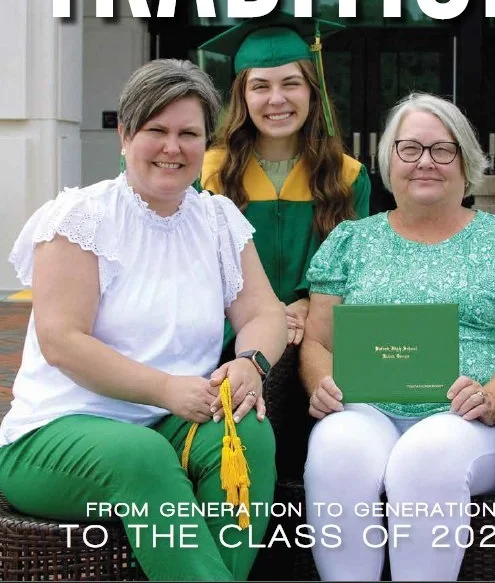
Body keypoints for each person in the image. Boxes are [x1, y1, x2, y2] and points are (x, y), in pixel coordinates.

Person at [0, 59, 288, 582]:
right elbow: (62, 341)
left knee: (248, 435)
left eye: (189, 133)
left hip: (171, 422)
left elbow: (264, 312)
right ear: (125, 134)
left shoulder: (218, 221)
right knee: (143, 456)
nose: (173, 148)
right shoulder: (80, 218)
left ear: (207, 143)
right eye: (156, 130)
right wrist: (164, 389)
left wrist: (250, 362)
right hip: (53, 438)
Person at [299, 92, 495, 582]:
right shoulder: (351, 242)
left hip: (469, 421)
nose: (426, 163)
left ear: (467, 162)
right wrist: (320, 383)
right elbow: (318, 342)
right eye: (409, 149)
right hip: (367, 407)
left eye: (443, 150)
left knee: (427, 455)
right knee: (335, 446)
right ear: (388, 161)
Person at [197, 11, 371, 349]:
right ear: (242, 97)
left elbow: (355, 272)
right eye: (260, 86)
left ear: (311, 90)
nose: (277, 99)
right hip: (227, 343)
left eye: (291, 83)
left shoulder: (348, 176)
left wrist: (308, 305)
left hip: (319, 341)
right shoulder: (208, 175)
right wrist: (262, 319)